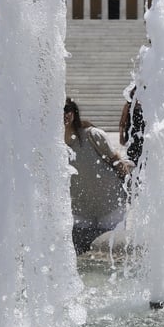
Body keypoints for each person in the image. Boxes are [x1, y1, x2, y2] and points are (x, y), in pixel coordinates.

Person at [63, 98, 133, 253]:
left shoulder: (92, 135)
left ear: (74, 113)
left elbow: (118, 163)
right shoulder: (55, 145)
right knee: (81, 255)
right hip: (80, 210)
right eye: (59, 110)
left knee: (113, 253)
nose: (64, 114)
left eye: (67, 110)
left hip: (110, 206)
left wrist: (129, 191)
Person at [118, 83, 145, 165]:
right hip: (131, 134)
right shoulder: (128, 105)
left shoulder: (145, 106)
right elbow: (122, 122)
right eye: (134, 93)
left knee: (142, 156)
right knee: (131, 156)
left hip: (142, 134)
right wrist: (121, 136)